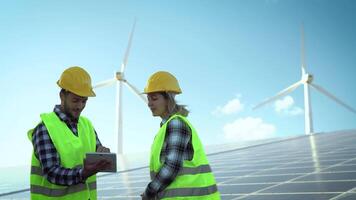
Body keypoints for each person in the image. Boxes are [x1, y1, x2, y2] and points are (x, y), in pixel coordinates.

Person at [28, 66, 111, 200]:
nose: (80, 106)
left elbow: (96, 151)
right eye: (75, 100)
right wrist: (82, 173)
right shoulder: (45, 128)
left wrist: (102, 153)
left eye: (84, 101)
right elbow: (52, 172)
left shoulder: (87, 125)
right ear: (62, 96)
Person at [141, 71, 221, 200]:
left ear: (168, 99)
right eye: (148, 99)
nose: (149, 104)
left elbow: (172, 166)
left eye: (154, 98)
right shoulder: (166, 127)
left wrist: (149, 192)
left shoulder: (176, 123)